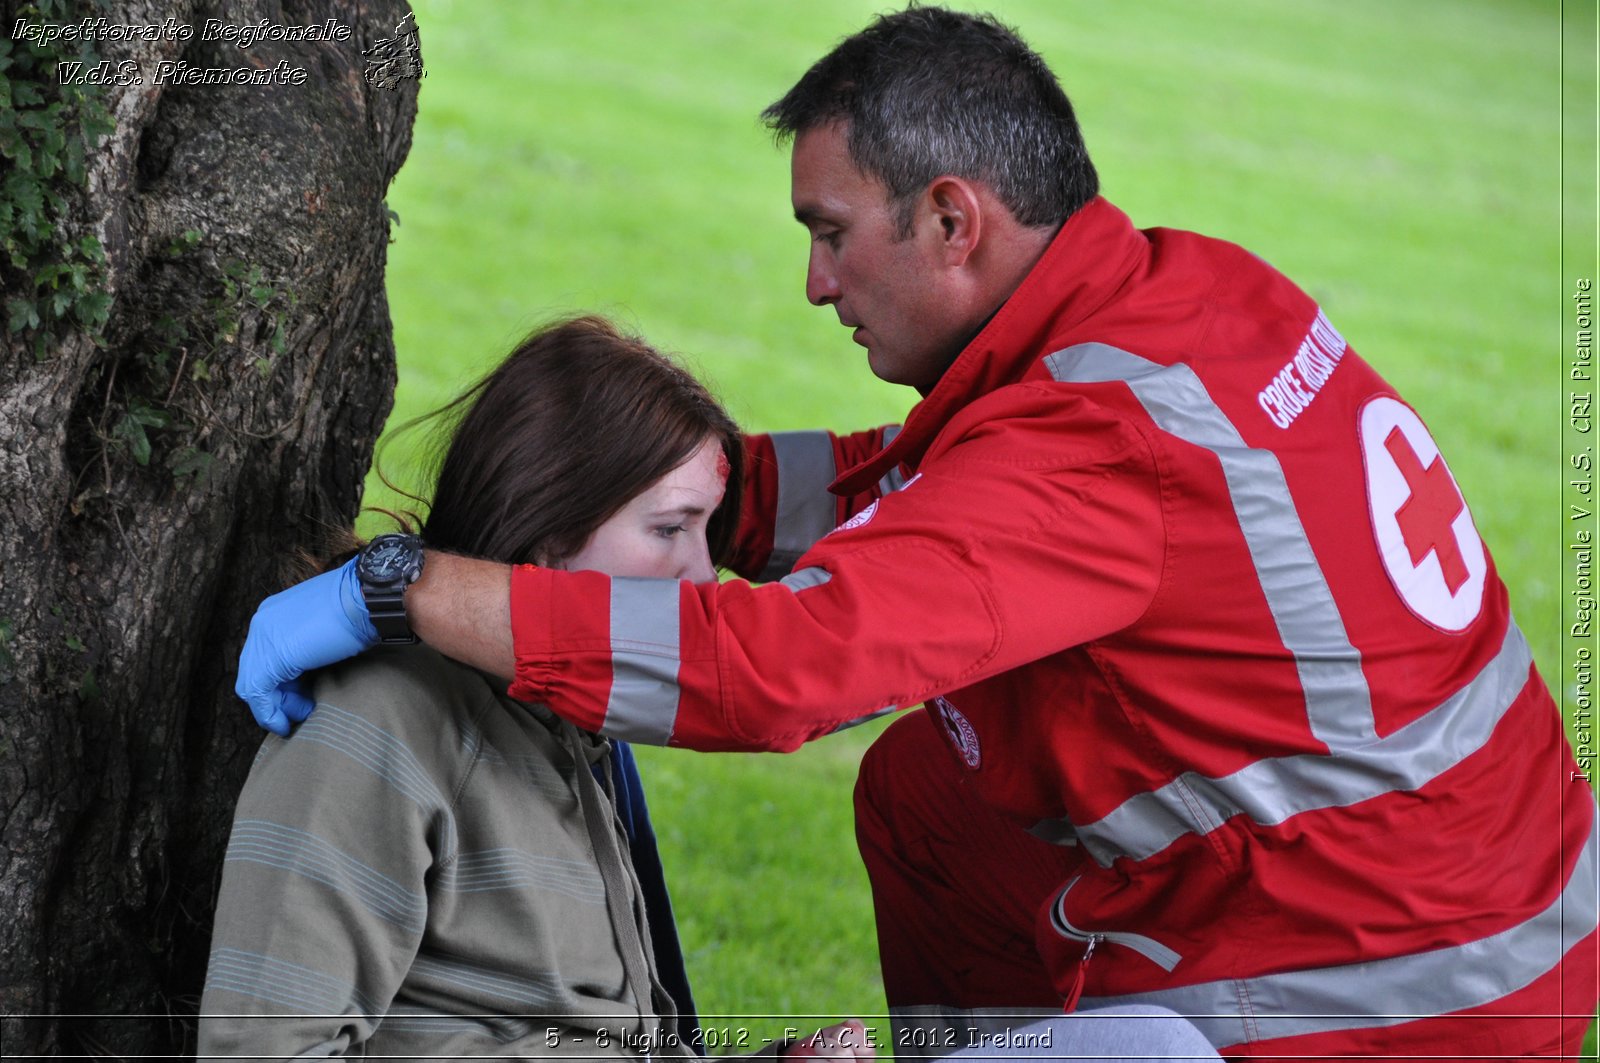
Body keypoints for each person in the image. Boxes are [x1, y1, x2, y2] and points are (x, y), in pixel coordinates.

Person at [235, 8, 1599, 1059]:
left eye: (831, 234)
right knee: (930, 790)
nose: (814, 282)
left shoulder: (1092, 446)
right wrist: (672, 478)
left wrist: (407, 589)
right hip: (1510, 882)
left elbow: (781, 666)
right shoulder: (1184, 298)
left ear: (953, 219)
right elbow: (934, 486)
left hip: (1409, 988)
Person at [203, 316, 872, 1060]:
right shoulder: (381, 717)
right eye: (667, 529)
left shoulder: (568, 721)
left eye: (705, 533)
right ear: (550, 527)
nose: (703, 576)